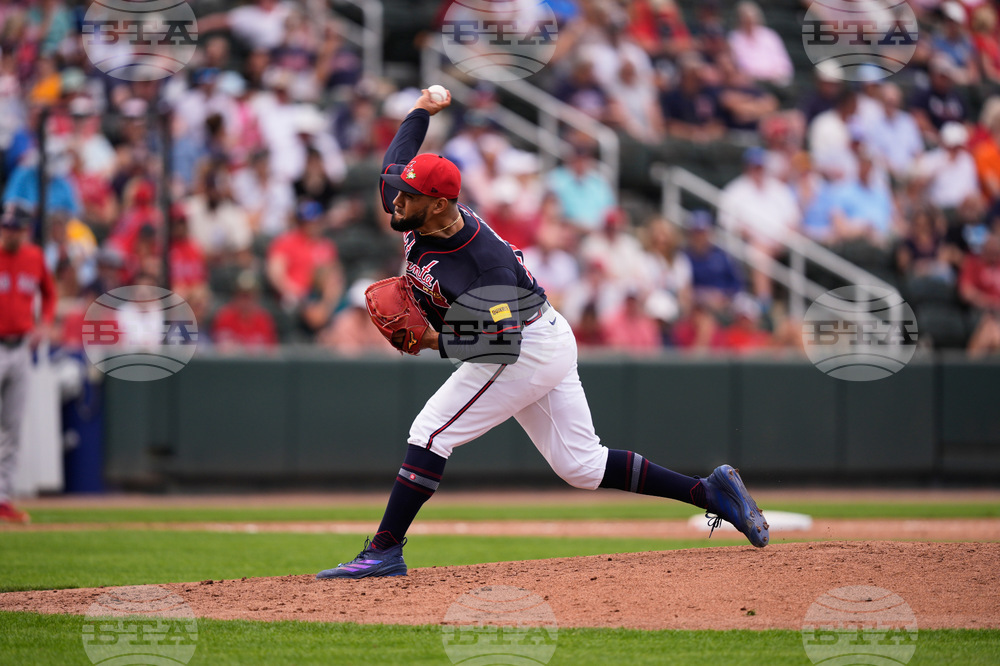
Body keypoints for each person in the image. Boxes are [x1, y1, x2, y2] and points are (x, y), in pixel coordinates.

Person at [315, 89, 770, 580]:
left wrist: (429, 341)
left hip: (522, 346)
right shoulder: (415, 208)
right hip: (540, 335)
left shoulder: (483, 263)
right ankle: (709, 492)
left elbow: (500, 343)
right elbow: (397, 159)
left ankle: (385, 549)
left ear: (441, 204)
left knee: (430, 433)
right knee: (582, 467)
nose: (395, 202)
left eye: (409, 196)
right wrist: (422, 110)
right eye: (399, 192)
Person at [0, 206, 55, 523]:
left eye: (14, 227)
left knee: (12, 427)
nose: (9, 232)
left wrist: (45, 322)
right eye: (5, 227)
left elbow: (49, 293)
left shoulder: (34, 257)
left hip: (20, 347)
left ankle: (3, 497)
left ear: (25, 230)